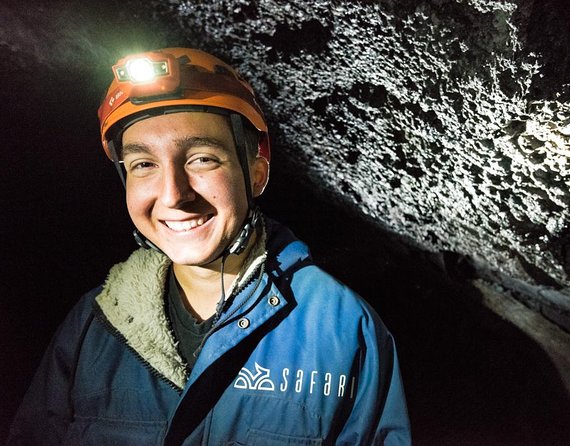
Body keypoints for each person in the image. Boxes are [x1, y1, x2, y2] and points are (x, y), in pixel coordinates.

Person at [7, 48, 410, 445]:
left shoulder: (343, 329)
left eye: (201, 159)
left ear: (255, 173)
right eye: (143, 164)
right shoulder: (93, 326)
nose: (173, 195)